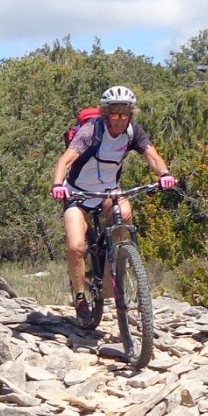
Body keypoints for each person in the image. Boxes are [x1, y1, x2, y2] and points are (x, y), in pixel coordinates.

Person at [51, 85, 176, 326]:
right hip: (78, 193)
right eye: (115, 113)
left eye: (125, 113)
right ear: (106, 114)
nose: (120, 119)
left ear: (131, 114)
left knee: (125, 214)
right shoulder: (91, 131)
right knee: (76, 247)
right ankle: (80, 297)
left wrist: (164, 174)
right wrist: (58, 185)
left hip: (109, 190)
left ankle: (114, 265)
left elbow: (152, 156)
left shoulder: (133, 132)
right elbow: (64, 161)